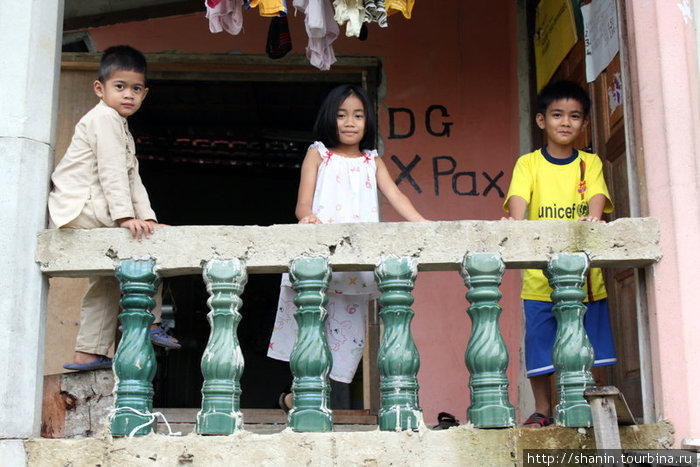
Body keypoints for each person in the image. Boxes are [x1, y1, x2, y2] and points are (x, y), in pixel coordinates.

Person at [267, 84, 428, 410]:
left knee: (343, 344)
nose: (350, 122)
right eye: (342, 115)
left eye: (358, 115)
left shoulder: (373, 160)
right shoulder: (318, 154)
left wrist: (424, 225)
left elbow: (396, 196)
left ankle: (303, 400)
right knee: (307, 334)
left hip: (355, 268)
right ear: (330, 119)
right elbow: (302, 203)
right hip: (318, 260)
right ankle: (297, 395)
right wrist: (308, 218)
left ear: (368, 121)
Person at [48, 45, 180, 372]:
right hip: (81, 206)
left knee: (106, 280)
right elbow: (111, 172)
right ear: (100, 88)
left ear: (145, 93)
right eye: (119, 87)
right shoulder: (104, 118)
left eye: (136, 89)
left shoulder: (119, 125)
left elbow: (132, 179)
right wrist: (125, 218)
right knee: (149, 247)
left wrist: (147, 217)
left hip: (88, 208)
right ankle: (150, 322)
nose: (128, 95)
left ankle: (87, 352)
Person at [502, 80, 617, 427]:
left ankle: (594, 402)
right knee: (541, 343)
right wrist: (518, 224)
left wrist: (594, 218)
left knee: (591, 342)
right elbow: (519, 200)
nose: (565, 122)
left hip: (585, 276)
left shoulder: (589, 162)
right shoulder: (529, 163)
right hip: (539, 278)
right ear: (541, 121)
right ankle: (542, 409)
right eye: (557, 115)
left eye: (574, 116)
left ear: (583, 123)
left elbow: (597, 198)